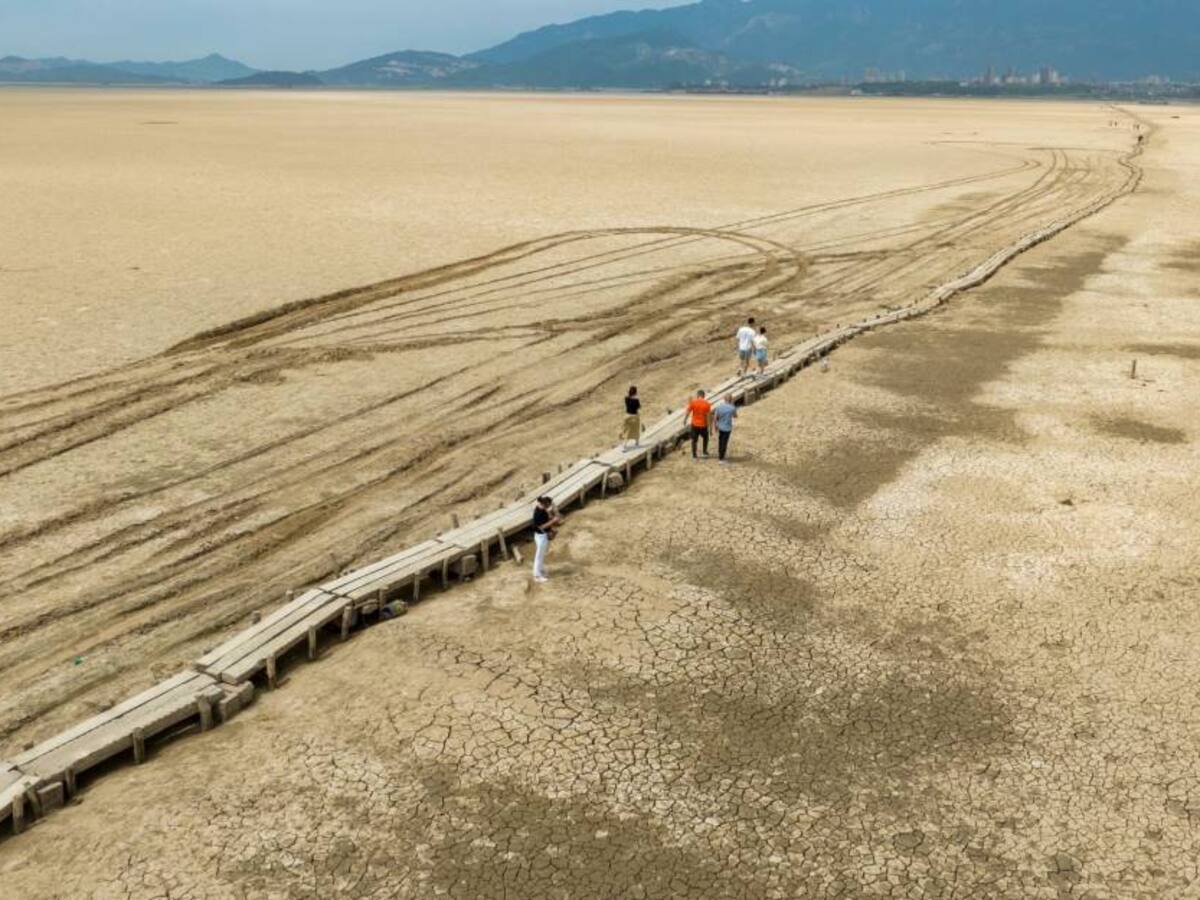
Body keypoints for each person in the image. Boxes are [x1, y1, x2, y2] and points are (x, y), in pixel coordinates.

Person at [531, 496, 563, 583]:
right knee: (539, 556)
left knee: (541, 555)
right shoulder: (539, 513)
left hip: (542, 535)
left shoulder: (540, 508)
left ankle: (540, 570)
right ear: (545, 504)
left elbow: (546, 517)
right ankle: (537, 576)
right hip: (540, 536)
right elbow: (541, 527)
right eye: (548, 505)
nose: (549, 507)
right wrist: (553, 521)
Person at [685, 389, 712, 459]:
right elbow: (709, 416)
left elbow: (688, 412)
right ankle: (704, 452)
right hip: (703, 425)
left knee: (694, 440)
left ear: (698, 395)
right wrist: (710, 427)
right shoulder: (707, 404)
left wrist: (685, 420)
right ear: (703, 395)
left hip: (694, 425)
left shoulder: (693, 402)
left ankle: (694, 455)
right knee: (705, 438)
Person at [712, 393, 738, 464]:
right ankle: (721, 458)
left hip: (720, 426)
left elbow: (715, 418)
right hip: (727, 427)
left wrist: (715, 426)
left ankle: (720, 455)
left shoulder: (719, 407)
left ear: (724, 399)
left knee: (720, 441)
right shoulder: (732, 408)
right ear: (731, 399)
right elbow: (735, 416)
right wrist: (733, 405)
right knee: (724, 442)